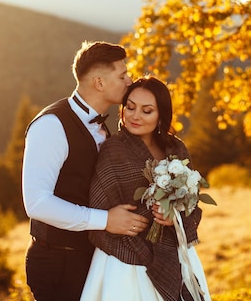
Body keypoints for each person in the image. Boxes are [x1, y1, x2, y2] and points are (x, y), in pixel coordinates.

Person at [22, 41, 150, 301]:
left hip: (93, 259)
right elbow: (36, 203)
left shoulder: (103, 127)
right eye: (122, 75)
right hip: (59, 261)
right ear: (99, 83)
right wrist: (106, 220)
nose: (129, 81)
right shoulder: (51, 125)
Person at [80, 76, 212, 301]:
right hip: (126, 258)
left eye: (146, 110)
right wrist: (114, 220)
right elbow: (98, 204)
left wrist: (174, 217)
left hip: (174, 252)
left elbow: (192, 204)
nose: (135, 116)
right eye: (130, 107)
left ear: (161, 114)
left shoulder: (176, 148)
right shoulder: (113, 150)